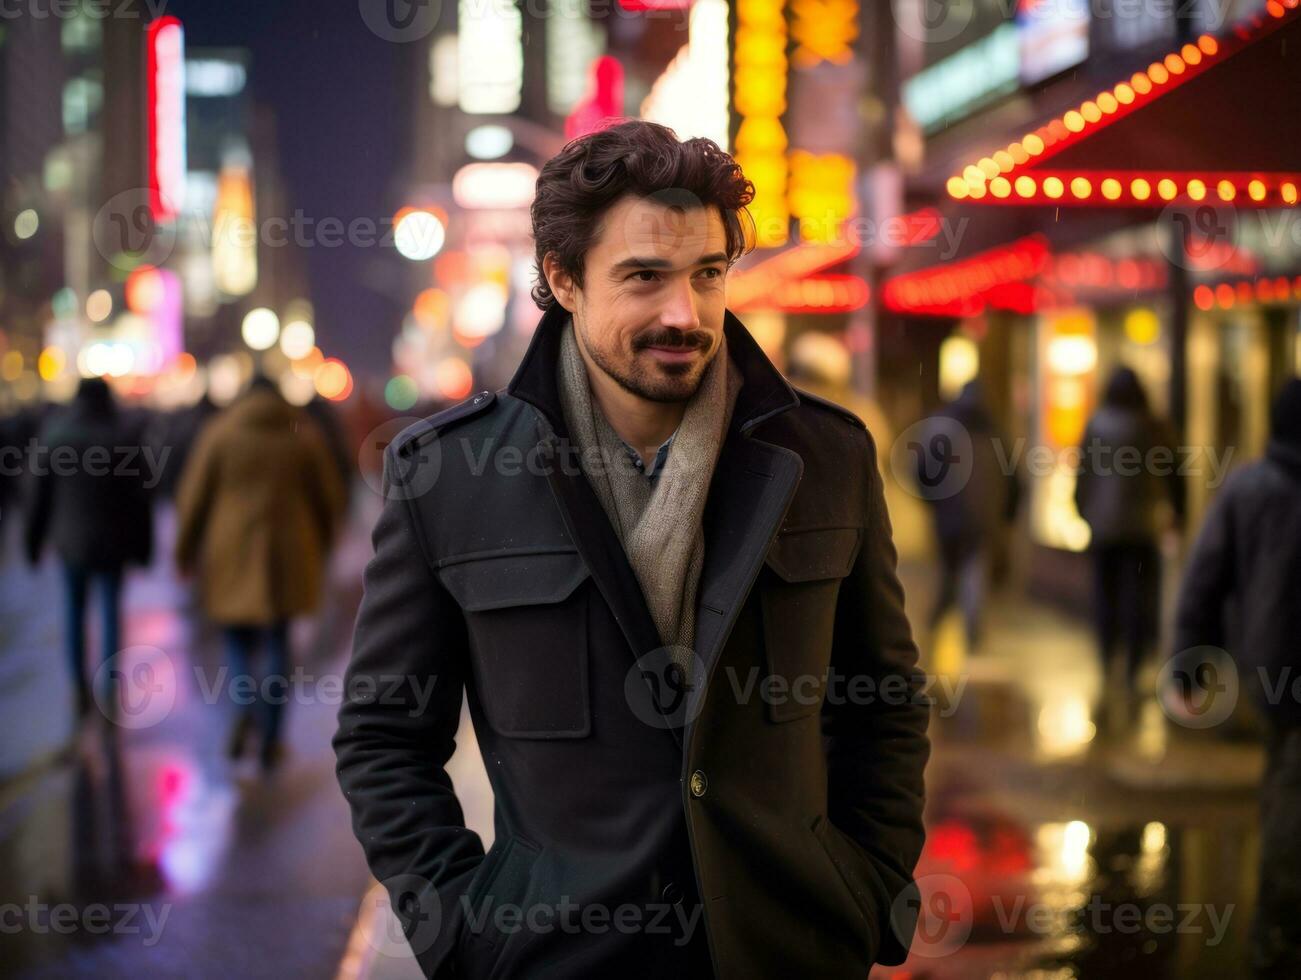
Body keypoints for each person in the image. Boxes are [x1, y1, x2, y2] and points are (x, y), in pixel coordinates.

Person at [334, 120, 930, 979]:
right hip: (555, 959)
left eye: (707, 274)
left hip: (788, 951)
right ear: (563, 280)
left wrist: (866, 890)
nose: (683, 313)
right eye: (644, 278)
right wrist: (463, 935)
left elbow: (884, 704)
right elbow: (385, 736)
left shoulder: (825, 457)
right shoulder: (449, 478)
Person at [1172, 378, 1301, 978]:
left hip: (1275, 665)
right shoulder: (1253, 489)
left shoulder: (1248, 486)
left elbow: (1204, 579)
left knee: (1287, 790)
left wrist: (1191, 662)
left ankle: (1276, 938)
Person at [175, 375, 344, 770]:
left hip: (230, 551)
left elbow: (194, 498)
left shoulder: (219, 432)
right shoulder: (302, 433)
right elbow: (329, 496)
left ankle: (244, 708)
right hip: (289, 553)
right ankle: (271, 734)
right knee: (278, 642)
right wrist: (323, 542)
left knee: (235, 640)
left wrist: (185, 552)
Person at [25, 378, 154, 719]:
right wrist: (145, 547)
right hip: (113, 542)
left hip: (71, 543)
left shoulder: (56, 435)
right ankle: (109, 688)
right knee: (110, 613)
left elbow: (37, 496)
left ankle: (78, 686)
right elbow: (140, 501)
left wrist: (33, 542)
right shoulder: (122, 437)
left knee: (74, 612)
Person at [1075, 366, 1183, 724]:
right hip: (1142, 528)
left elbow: (1083, 472)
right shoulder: (1153, 426)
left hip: (1104, 528)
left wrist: (1083, 510)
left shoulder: (1097, 424)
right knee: (1140, 596)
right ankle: (1135, 665)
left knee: (1106, 596)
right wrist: (1178, 514)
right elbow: (1174, 473)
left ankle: (1109, 659)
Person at [914, 379, 1019, 652]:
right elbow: (1014, 478)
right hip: (983, 517)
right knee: (973, 569)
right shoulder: (995, 429)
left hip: (949, 514)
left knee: (950, 570)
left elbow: (922, 471)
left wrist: (933, 503)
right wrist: (1007, 514)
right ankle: (970, 634)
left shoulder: (941, 425)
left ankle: (935, 626)